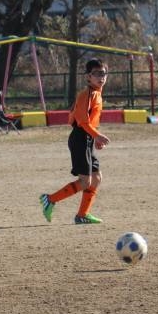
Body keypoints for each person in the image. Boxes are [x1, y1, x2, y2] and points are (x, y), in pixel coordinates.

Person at [39, 58, 111, 224]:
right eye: (96, 73)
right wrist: (96, 135)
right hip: (80, 138)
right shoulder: (87, 95)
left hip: (87, 138)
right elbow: (82, 122)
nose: (101, 77)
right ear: (88, 77)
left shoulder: (97, 94)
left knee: (96, 178)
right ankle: (50, 199)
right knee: (85, 181)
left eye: (103, 73)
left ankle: (82, 215)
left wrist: (95, 137)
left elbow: (91, 121)